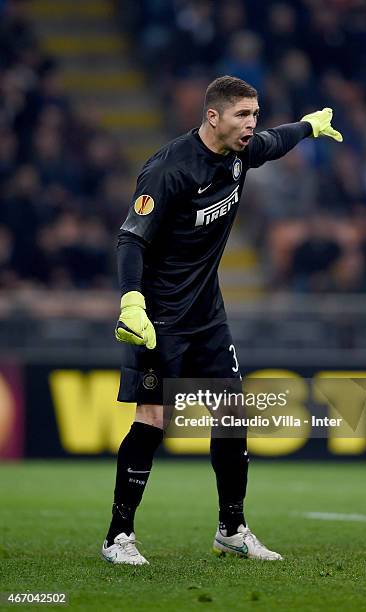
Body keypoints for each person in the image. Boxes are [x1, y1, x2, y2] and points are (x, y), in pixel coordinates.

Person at [101, 75, 342, 565]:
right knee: (152, 419)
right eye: (242, 116)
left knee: (233, 416)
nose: (252, 125)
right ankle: (118, 536)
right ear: (213, 116)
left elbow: (277, 141)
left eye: (254, 115)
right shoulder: (168, 169)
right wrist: (131, 302)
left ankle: (231, 528)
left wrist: (310, 127)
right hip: (159, 316)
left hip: (208, 314)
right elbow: (131, 238)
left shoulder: (242, 152)